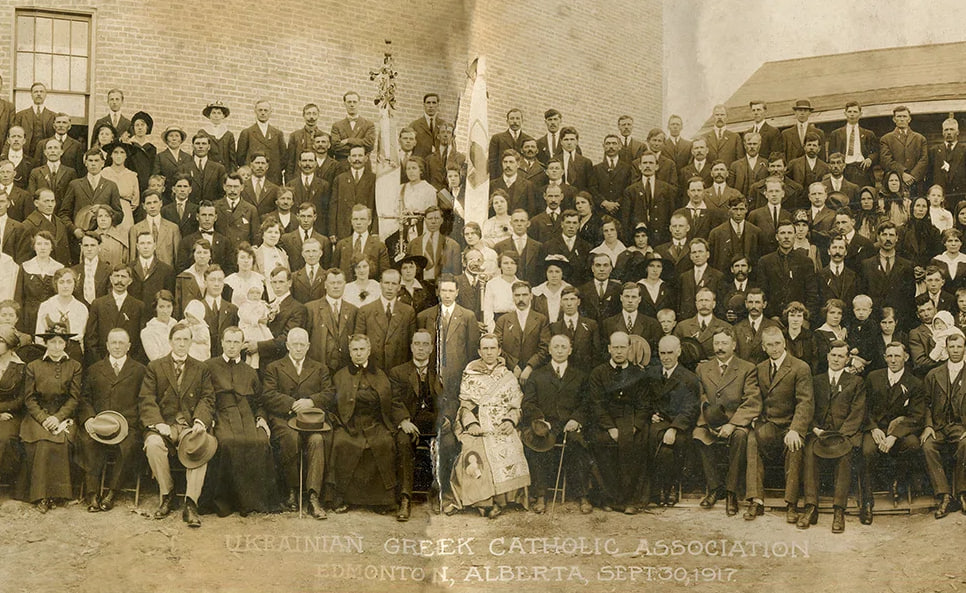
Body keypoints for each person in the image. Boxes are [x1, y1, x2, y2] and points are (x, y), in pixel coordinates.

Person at [138, 322, 215, 526]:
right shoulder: (155, 366)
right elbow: (146, 399)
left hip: (189, 425)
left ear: (191, 342)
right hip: (164, 424)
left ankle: (191, 503)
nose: (181, 344)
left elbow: (207, 398)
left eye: (185, 339)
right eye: (178, 339)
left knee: (201, 445)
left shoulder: (201, 368)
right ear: (170, 341)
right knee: (153, 444)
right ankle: (167, 494)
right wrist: (158, 423)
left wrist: (200, 420)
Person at [449, 333, 530, 517]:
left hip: (501, 424)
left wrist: (510, 421)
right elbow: (465, 405)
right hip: (478, 426)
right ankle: (484, 502)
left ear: (499, 351)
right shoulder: (470, 373)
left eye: (493, 348)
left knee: (510, 446)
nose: (489, 352)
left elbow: (516, 405)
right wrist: (471, 424)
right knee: (474, 453)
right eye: (485, 348)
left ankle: (502, 501)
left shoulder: (508, 376)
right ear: (479, 351)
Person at [202, 326, 279, 516]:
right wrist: (209, 418)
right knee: (227, 442)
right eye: (228, 341)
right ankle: (227, 503)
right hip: (221, 413)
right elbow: (206, 397)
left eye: (236, 342)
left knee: (260, 441)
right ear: (222, 343)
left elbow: (260, 401)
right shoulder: (209, 366)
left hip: (247, 415)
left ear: (242, 345)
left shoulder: (250, 371)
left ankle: (253, 501)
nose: (232, 346)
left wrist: (261, 418)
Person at [328, 334, 409, 513]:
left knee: (384, 443)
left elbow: (391, 400)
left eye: (362, 349)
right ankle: (343, 498)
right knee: (341, 443)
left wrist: (403, 419)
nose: (358, 353)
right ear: (350, 352)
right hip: (350, 424)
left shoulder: (380, 374)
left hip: (375, 423)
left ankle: (381, 501)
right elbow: (332, 404)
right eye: (355, 350)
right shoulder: (340, 376)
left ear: (369, 351)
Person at [262, 327, 334, 519]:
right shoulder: (274, 367)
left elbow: (329, 393)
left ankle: (313, 496)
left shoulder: (320, 368)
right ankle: (292, 490)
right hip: (284, 418)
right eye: (295, 344)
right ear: (287, 345)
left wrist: (311, 401)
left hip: (312, 420)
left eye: (302, 344)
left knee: (317, 440)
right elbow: (268, 395)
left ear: (308, 346)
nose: (299, 348)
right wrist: (291, 404)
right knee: (290, 437)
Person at [744, 326, 813, 523]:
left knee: (795, 445)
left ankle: (791, 504)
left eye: (777, 343)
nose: (774, 348)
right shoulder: (760, 368)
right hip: (768, 424)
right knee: (752, 440)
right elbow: (755, 398)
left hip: (789, 425)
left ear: (784, 343)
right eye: (770, 345)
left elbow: (805, 402)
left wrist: (796, 429)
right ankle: (756, 500)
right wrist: (754, 418)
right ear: (763, 347)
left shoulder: (800, 367)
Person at [798, 340, 866, 534]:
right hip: (819, 433)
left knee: (845, 455)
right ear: (828, 356)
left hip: (843, 434)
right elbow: (806, 407)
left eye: (841, 356)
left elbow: (857, 412)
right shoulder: (815, 380)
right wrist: (814, 428)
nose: (836, 359)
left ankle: (839, 510)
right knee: (809, 452)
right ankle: (811, 507)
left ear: (847, 359)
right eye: (833, 355)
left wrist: (842, 434)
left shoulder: (856, 382)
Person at [521, 333, 592, 514]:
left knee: (578, 443)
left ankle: (582, 495)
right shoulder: (537, 375)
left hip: (569, 425)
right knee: (538, 443)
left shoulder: (580, 376)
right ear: (550, 350)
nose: (560, 351)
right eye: (556, 347)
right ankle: (541, 495)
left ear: (570, 350)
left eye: (563, 347)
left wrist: (576, 419)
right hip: (547, 425)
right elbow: (528, 403)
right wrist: (540, 420)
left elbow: (587, 403)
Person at [76, 328, 146, 512]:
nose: (117, 346)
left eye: (121, 342)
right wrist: (89, 418)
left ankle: (112, 492)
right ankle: (92, 494)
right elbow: (84, 399)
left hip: (127, 425)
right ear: (107, 345)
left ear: (128, 346)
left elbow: (144, 400)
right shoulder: (94, 369)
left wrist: (133, 423)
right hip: (99, 424)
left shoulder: (139, 370)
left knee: (128, 445)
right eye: (113, 342)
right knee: (88, 442)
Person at [693, 327, 759, 516]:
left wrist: (732, 424)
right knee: (698, 435)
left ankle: (731, 492)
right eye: (716, 343)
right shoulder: (702, 368)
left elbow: (752, 400)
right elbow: (700, 397)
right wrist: (711, 420)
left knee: (740, 437)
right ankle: (715, 488)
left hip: (736, 422)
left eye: (724, 343)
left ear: (734, 345)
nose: (719, 347)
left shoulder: (747, 368)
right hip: (710, 421)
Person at [16, 322, 81, 511]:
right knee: (42, 443)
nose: (56, 347)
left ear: (66, 344)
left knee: (61, 442)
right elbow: (29, 399)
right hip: (37, 416)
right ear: (46, 343)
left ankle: (59, 495)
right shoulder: (33, 366)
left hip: (63, 415)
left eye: (60, 342)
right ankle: (41, 496)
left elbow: (74, 398)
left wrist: (58, 417)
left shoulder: (75, 366)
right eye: (52, 342)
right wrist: (44, 418)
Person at [388, 330, 452, 519]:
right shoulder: (398, 372)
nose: (421, 348)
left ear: (432, 348)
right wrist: (403, 420)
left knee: (449, 442)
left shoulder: (441, 372)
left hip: (434, 424)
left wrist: (447, 417)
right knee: (402, 442)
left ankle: (440, 493)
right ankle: (405, 498)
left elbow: (450, 399)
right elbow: (394, 400)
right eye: (417, 344)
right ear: (411, 347)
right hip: (411, 423)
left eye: (425, 344)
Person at [858, 341, 923, 524]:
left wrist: (894, 436)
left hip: (899, 432)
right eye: (890, 356)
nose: (893, 360)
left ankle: (898, 482)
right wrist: (873, 428)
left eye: (897, 356)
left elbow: (917, 416)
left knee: (912, 445)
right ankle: (867, 502)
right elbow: (863, 408)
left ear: (906, 357)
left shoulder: (915, 383)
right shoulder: (873, 377)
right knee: (867, 451)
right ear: (885, 358)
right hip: (876, 430)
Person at [586, 331, 649, 513]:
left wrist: (636, 426)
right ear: (609, 349)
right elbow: (597, 404)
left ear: (629, 349)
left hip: (631, 421)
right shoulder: (598, 373)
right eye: (615, 347)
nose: (619, 351)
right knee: (600, 442)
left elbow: (644, 404)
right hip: (606, 421)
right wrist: (610, 427)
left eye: (622, 347)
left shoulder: (639, 374)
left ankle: (631, 500)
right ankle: (608, 498)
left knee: (638, 443)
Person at [643, 335, 700, 507]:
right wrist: (650, 414)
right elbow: (644, 400)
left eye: (670, 353)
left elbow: (690, 408)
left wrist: (674, 428)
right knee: (653, 441)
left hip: (679, 424)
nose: (666, 357)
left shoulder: (689, 378)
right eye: (662, 353)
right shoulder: (651, 374)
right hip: (658, 422)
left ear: (678, 352)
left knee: (669, 448)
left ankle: (667, 487)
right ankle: (662, 488)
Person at [920, 332, 966, 519]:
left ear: (964, 349)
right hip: (938, 426)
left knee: (965, 445)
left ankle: (962, 493)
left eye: (959, 346)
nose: (955, 350)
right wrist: (928, 425)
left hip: (961, 426)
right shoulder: (933, 374)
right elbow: (925, 403)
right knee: (928, 446)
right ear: (946, 349)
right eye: (952, 347)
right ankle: (944, 495)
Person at [84, 264, 144, 364]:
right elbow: (91, 338)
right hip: (103, 362)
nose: (119, 280)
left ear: (130, 281)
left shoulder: (138, 306)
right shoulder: (98, 304)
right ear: (111, 279)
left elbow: (141, 339)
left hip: (129, 364)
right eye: (116, 276)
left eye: (123, 277)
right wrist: (100, 362)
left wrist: (132, 364)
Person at [494, 281, 550, 386]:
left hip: (535, 373)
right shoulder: (503, 320)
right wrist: (513, 365)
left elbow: (545, 347)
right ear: (513, 297)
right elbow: (497, 347)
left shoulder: (541, 319)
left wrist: (530, 367)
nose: (521, 299)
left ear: (531, 296)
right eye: (517, 295)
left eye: (524, 295)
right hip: (508, 373)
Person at [15, 230, 64, 335]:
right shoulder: (25, 267)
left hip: (51, 314)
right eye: (39, 244)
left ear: (51, 247)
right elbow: (18, 296)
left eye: (46, 244)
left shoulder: (59, 268)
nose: (43, 247)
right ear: (34, 247)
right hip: (29, 316)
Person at [34, 268, 87, 361]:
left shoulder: (81, 308)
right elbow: (39, 336)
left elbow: (83, 338)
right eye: (61, 282)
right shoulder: (46, 306)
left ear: (75, 284)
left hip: (74, 353)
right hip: (52, 351)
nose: (65, 286)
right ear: (56, 284)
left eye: (69, 282)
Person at [329, 145, 377, 240]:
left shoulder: (373, 179)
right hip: (343, 229)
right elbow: (333, 206)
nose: (357, 159)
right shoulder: (340, 179)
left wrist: (375, 231)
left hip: (366, 228)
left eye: (360, 155)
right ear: (349, 159)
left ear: (366, 158)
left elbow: (376, 207)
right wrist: (332, 231)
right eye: (354, 156)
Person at [880, 105, 928, 198]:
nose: (902, 119)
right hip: (895, 183)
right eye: (899, 116)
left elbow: (924, 160)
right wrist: (902, 173)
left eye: (904, 116)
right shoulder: (886, 139)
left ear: (909, 119)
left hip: (915, 184)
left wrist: (912, 176)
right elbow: (886, 160)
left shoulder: (920, 139)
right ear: (894, 119)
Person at [236, 101, 285, 184]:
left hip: (273, 178)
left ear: (270, 112)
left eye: (266, 110)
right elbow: (240, 158)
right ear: (255, 111)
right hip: (253, 177)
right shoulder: (247, 132)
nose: (263, 113)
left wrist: (274, 169)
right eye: (260, 110)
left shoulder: (278, 134)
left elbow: (283, 158)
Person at [0, 325, 24, 482]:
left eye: (0, 341)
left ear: (9, 344)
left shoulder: (20, 367)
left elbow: (21, 399)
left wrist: (3, 411)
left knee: (5, 439)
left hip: (11, 414)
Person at [101, 142, 140, 234]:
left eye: (122, 152)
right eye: (115, 152)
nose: (119, 156)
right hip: (106, 210)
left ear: (126, 156)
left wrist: (125, 206)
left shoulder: (132, 175)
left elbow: (135, 201)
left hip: (125, 211)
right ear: (111, 155)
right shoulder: (104, 173)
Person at [899, 197, 943, 267]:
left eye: (924, 206)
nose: (921, 209)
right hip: (907, 269)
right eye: (918, 206)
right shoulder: (902, 230)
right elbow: (899, 254)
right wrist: (913, 267)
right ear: (912, 208)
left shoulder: (934, 232)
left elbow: (937, 255)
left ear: (927, 210)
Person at [237, 286, 272, 369]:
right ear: (247, 295)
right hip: (249, 328)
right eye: (252, 293)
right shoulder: (245, 305)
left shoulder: (262, 304)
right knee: (248, 347)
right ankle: (247, 363)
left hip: (259, 330)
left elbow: (267, 314)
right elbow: (244, 316)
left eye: (258, 293)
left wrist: (269, 315)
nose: (255, 295)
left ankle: (255, 364)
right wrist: (257, 320)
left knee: (257, 346)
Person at [224, 242, 266, 308]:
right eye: (242, 257)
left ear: (253, 260)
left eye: (249, 258)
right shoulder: (229, 282)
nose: (246, 261)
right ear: (237, 260)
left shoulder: (260, 280)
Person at [198, 101, 236, 172]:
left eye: (219, 113)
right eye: (213, 113)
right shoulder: (203, 132)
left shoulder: (228, 135)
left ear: (223, 116)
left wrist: (232, 173)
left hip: (224, 171)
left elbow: (232, 157)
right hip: (207, 170)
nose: (216, 116)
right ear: (209, 115)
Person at [141, 290, 178, 362]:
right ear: (155, 308)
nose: (165, 311)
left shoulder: (177, 325)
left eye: (169, 306)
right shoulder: (148, 332)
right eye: (161, 307)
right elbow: (155, 360)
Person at [126, 111, 157, 191]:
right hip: (131, 184)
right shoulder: (128, 146)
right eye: (137, 125)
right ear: (133, 128)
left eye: (142, 125)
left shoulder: (152, 148)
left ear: (147, 127)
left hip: (146, 185)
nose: (140, 128)